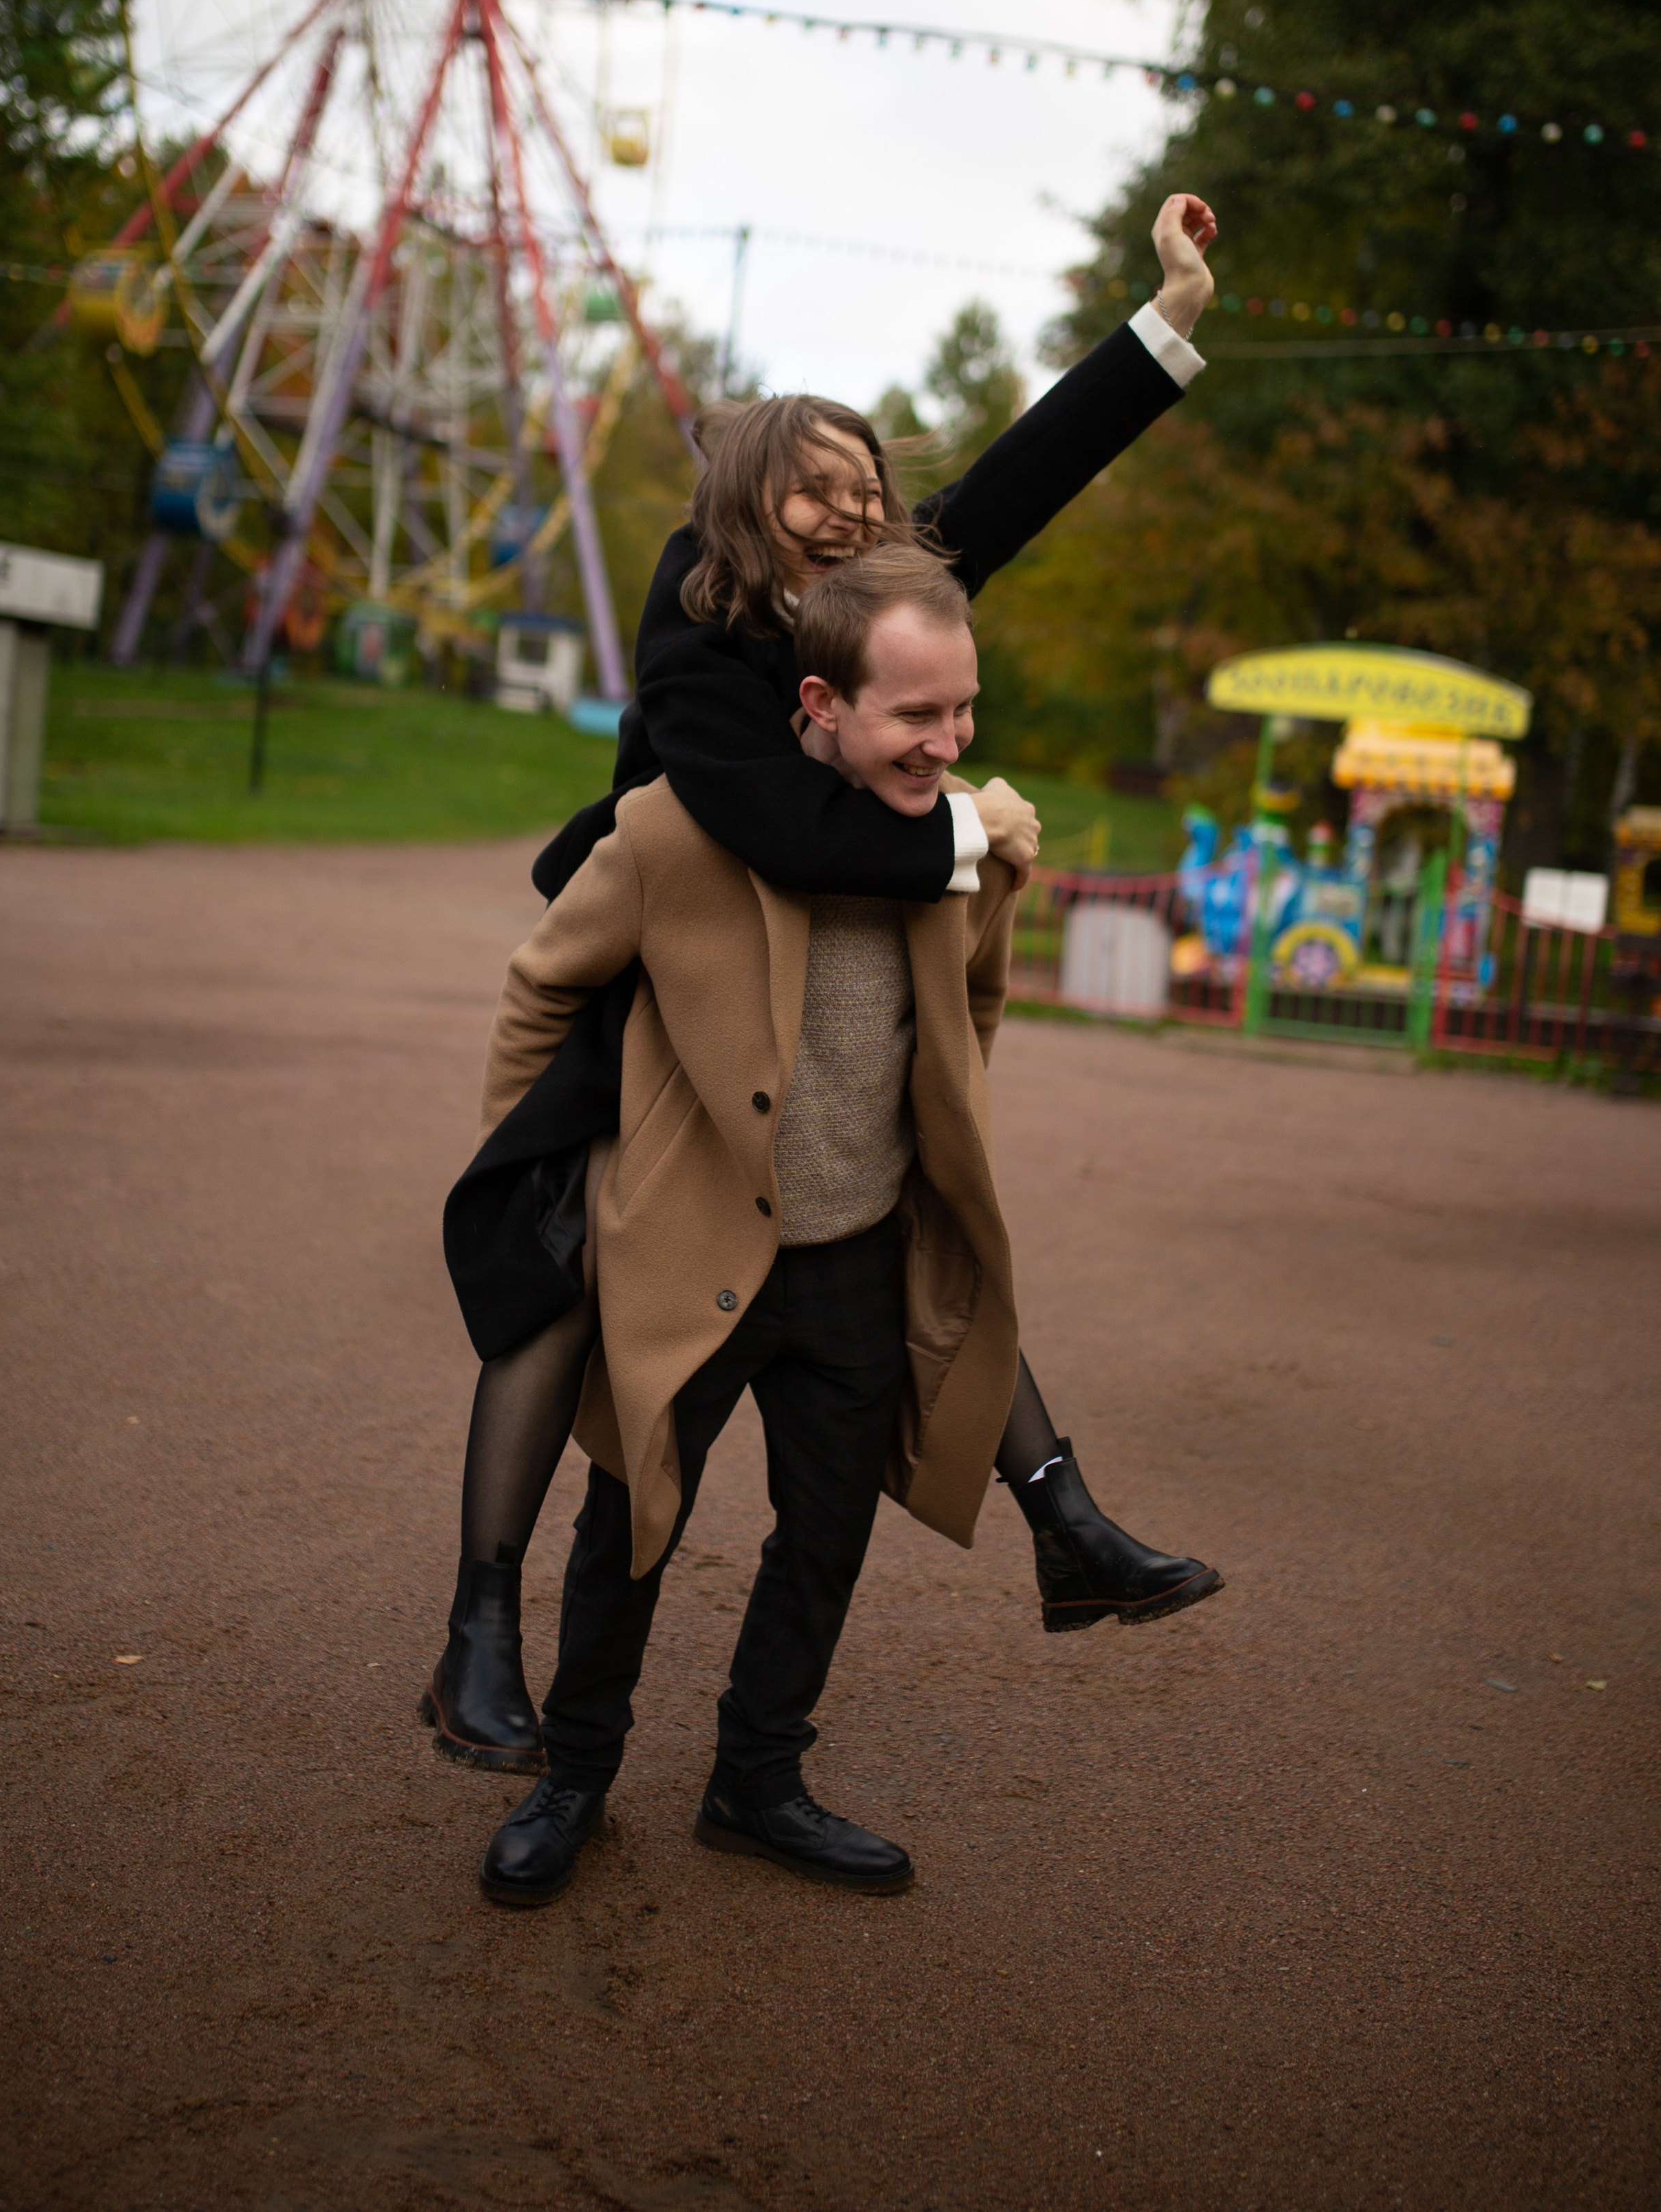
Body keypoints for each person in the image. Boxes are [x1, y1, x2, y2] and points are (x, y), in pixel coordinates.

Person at [430, 195, 1220, 1775]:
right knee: (554, 1272)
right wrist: (960, 837)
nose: (852, 514)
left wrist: (1166, 323)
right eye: (818, 492)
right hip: (661, 977)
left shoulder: (876, 601)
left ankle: (1055, 1510)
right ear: (748, 498)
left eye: (867, 491)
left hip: (808, 1001)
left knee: (916, 1206)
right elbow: (764, 820)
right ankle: (478, 1627)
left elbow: (1015, 480)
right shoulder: (699, 604)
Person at [478, 548, 1030, 1905]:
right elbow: (540, 983)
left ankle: (756, 1779)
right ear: (818, 701)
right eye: (915, 713)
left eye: (962, 711)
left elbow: (973, 1004)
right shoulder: (679, 829)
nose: (947, 741)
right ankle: (574, 1772)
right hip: (693, 1253)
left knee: (825, 1530)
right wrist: (536, 1167)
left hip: (851, 1256)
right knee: (630, 1521)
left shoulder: (948, 837)